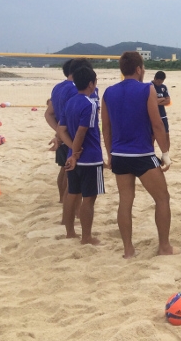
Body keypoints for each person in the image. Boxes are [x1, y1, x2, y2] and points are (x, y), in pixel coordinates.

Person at [101, 51, 173, 259]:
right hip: (142, 154)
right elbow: (157, 124)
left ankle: (128, 250)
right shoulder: (146, 89)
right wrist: (165, 153)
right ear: (139, 69)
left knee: (125, 200)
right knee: (162, 198)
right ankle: (164, 247)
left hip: (119, 154)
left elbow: (105, 128)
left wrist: (110, 154)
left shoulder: (109, 92)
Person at [57, 66, 104, 245]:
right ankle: (86, 237)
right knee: (89, 199)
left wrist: (71, 151)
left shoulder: (69, 102)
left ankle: (70, 232)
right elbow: (81, 132)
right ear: (91, 84)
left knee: (72, 194)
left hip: (73, 156)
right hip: (89, 157)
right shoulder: (90, 103)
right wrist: (76, 154)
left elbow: (61, 130)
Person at [45, 58, 93, 217]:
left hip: (63, 135)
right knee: (73, 177)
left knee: (64, 170)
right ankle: (72, 209)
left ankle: (63, 202)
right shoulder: (74, 90)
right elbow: (75, 117)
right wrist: (63, 136)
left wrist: (57, 133)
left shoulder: (58, 87)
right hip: (72, 137)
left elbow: (49, 114)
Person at [151, 71, 171, 150]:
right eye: (158, 81)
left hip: (163, 114)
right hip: (152, 115)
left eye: (161, 82)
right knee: (152, 137)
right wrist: (162, 99)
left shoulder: (163, 87)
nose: (159, 83)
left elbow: (168, 101)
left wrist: (157, 101)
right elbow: (150, 102)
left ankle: (166, 155)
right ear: (155, 78)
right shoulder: (150, 86)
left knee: (166, 135)